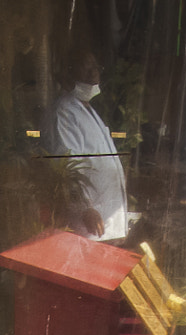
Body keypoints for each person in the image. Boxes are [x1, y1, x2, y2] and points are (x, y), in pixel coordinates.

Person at [46, 51, 129, 241]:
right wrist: (85, 209)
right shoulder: (64, 111)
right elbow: (68, 166)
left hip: (107, 222)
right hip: (89, 223)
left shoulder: (87, 109)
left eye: (96, 67)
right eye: (86, 67)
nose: (94, 73)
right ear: (69, 73)